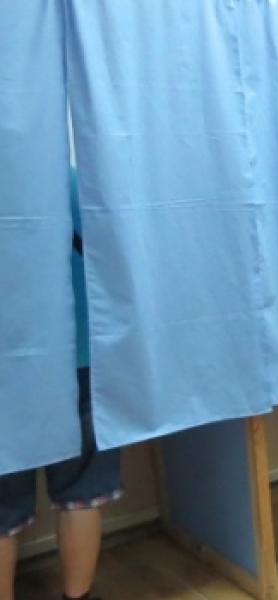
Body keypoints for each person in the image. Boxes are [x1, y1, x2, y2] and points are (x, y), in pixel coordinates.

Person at [1, 169, 122, 600]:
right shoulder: (67, 177)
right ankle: (78, 596)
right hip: (78, 353)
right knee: (82, 485)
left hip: (9, 363)